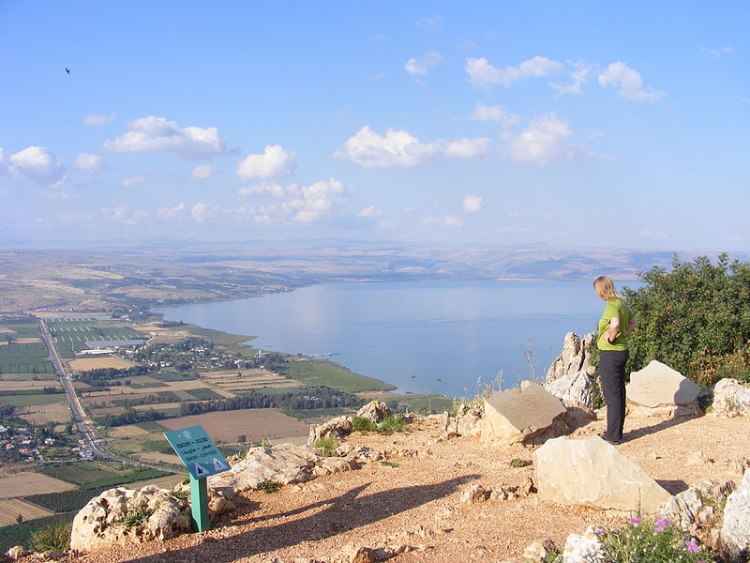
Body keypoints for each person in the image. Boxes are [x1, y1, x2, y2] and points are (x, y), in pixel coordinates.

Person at [593, 275, 635, 444]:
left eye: (597, 290)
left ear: (602, 290)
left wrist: (611, 337)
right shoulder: (622, 304)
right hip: (622, 352)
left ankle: (612, 436)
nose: (597, 294)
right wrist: (624, 334)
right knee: (618, 393)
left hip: (610, 353)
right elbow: (633, 322)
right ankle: (616, 432)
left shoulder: (611, 306)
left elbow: (615, 324)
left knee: (612, 395)